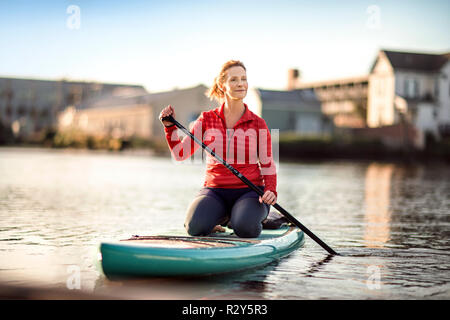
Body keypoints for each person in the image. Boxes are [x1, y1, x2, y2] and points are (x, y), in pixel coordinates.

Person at [159, 60, 277, 238]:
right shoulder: (207, 119)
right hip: (215, 191)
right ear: (222, 85)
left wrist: (271, 189)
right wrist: (170, 128)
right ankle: (221, 218)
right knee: (194, 227)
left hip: (250, 192)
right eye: (234, 79)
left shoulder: (258, 123)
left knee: (245, 228)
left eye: (244, 79)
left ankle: (254, 217)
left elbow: (267, 164)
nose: (240, 84)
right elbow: (180, 154)